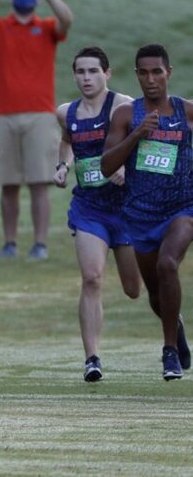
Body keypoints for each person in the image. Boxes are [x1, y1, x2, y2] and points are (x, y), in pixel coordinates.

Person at [101, 44, 193, 381]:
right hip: (140, 215)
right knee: (156, 290)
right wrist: (137, 135)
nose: (151, 79)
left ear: (169, 72)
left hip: (182, 208)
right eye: (144, 72)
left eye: (157, 72)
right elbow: (106, 165)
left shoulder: (187, 112)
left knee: (169, 264)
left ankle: (168, 351)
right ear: (137, 75)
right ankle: (176, 326)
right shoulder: (127, 116)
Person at [53, 46, 140, 382]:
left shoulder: (123, 106)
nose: (86, 78)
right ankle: (92, 358)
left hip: (126, 208)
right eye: (80, 72)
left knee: (134, 289)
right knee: (92, 278)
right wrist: (63, 166)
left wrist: (126, 170)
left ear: (107, 73)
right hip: (89, 208)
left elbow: (142, 143)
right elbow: (68, 139)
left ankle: (169, 318)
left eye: (93, 71)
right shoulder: (66, 112)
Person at [0, 0, 73, 260]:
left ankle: (40, 243)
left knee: (40, 182)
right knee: (9, 183)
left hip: (41, 114)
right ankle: (10, 242)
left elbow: (67, 20)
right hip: (1, 113)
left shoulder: (46, 28)